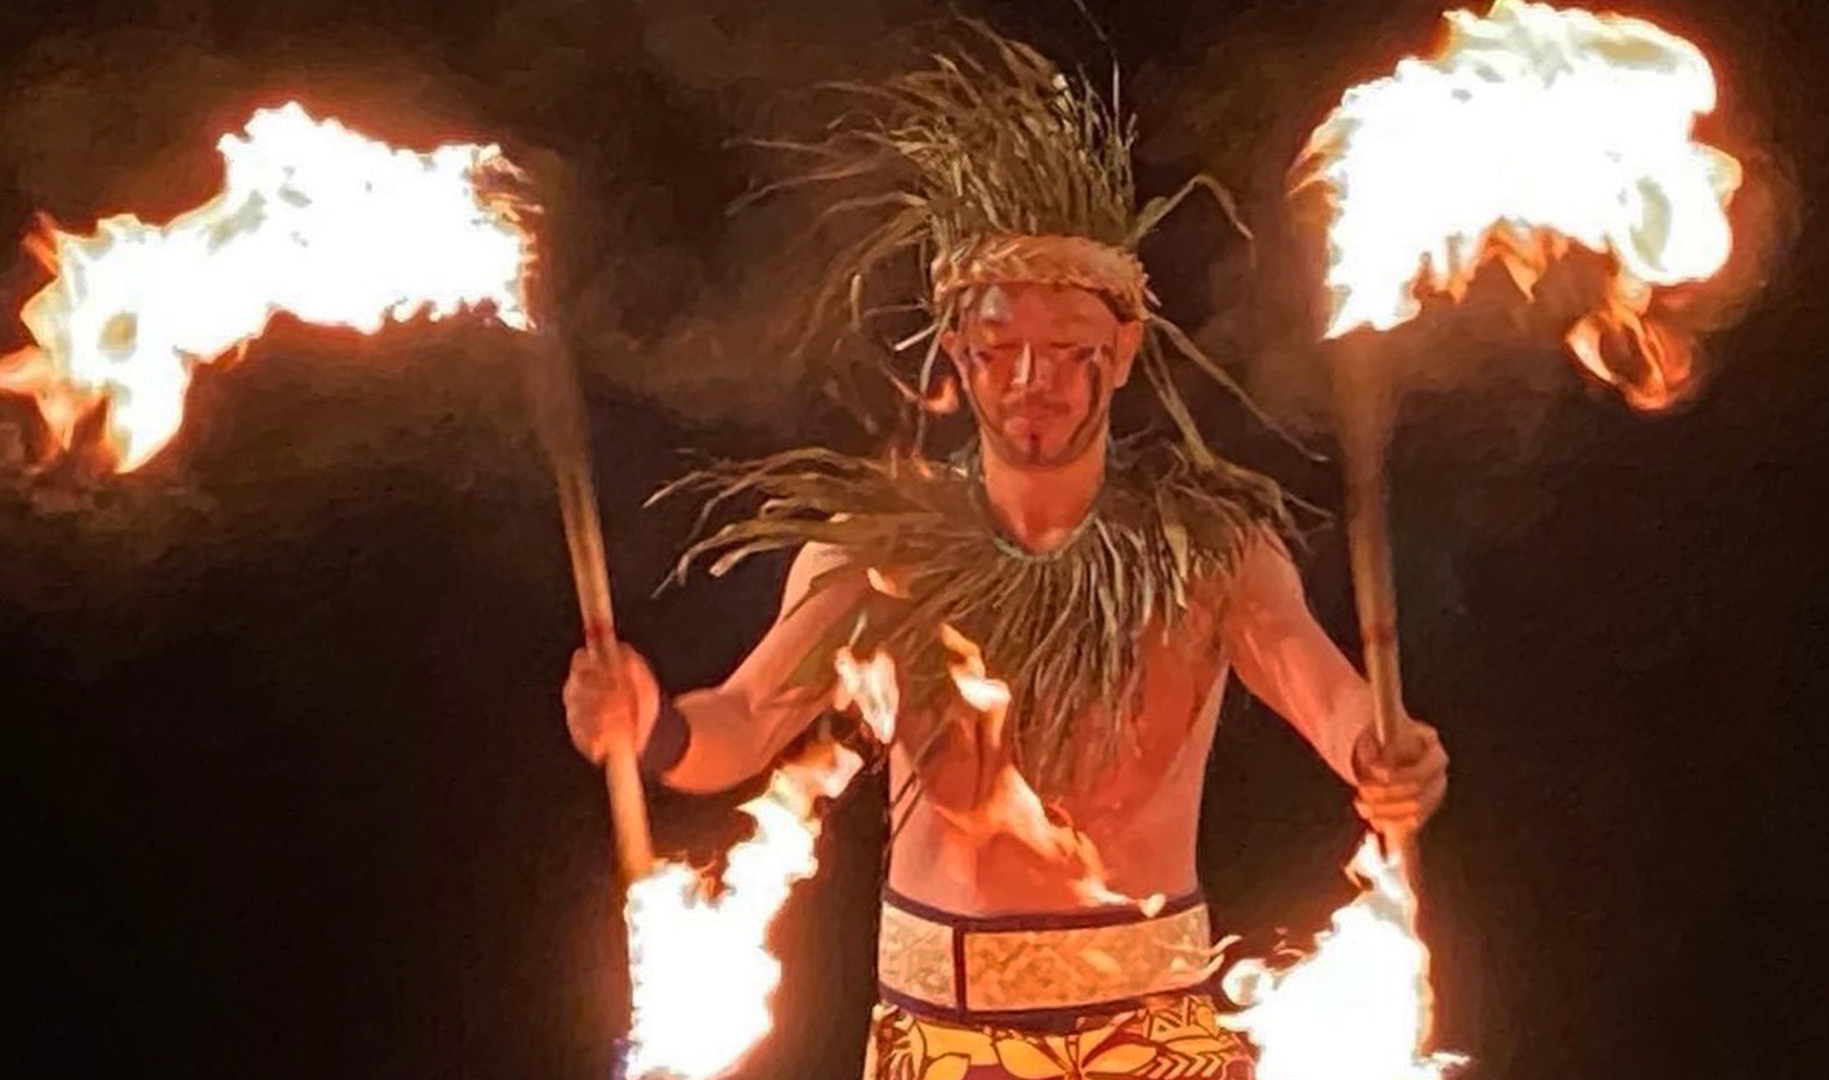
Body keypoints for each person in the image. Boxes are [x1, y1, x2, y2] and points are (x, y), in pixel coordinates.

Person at [564, 26, 1448, 1080]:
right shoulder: (874, 556)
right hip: (939, 1026)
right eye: (999, 349)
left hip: (1151, 1025)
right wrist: (648, 726)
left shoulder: (1209, 553)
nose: (1034, 380)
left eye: (1070, 351)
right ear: (955, 352)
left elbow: (1334, 699)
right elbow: (744, 725)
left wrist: (1387, 758)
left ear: (1121, 354)